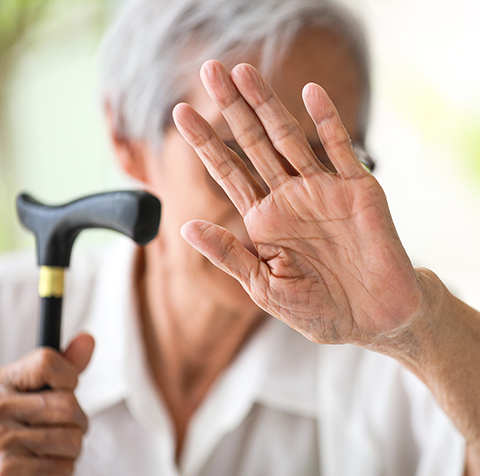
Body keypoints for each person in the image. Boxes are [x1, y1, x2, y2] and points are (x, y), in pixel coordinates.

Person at [0, 0, 474, 475]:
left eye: (321, 165)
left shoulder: (404, 355)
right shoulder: (10, 317)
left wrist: (416, 325)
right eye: (237, 156)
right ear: (127, 137)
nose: (277, 215)